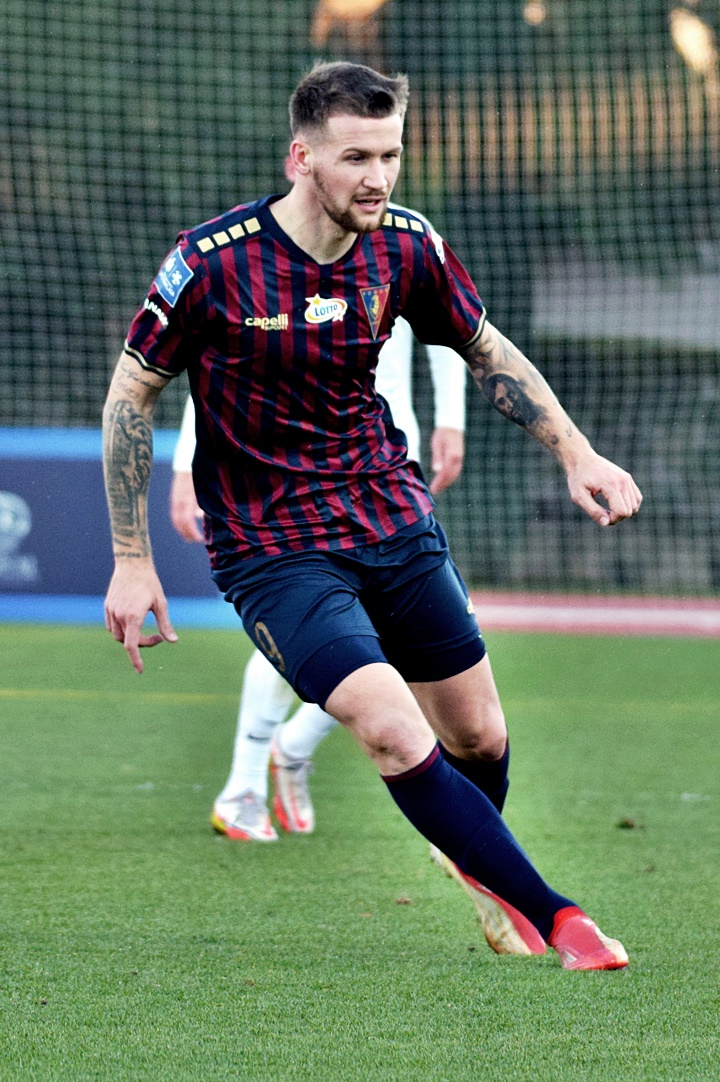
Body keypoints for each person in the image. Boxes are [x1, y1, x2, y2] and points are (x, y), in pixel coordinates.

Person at [101, 61, 641, 970]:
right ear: (301, 158)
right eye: (356, 158)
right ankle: (561, 920)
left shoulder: (406, 245)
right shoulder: (212, 260)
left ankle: (474, 860)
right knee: (392, 726)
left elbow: (486, 350)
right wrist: (130, 556)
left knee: (479, 737)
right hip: (273, 548)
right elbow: (131, 397)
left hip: (390, 515)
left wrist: (578, 453)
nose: (379, 177)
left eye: (390, 155)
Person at [176, 317, 469, 841]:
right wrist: (185, 463)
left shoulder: (401, 258)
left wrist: (451, 418)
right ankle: (245, 786)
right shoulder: (259, 270)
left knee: (388, 641)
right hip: (290, 473)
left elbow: (450, 323)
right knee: (313, 624)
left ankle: (292, 749)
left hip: (388, 462)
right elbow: (212, 354)